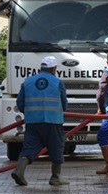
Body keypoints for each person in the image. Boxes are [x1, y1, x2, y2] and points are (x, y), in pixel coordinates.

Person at [11, 56, 70, 186]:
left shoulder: (28, 81)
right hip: (53, 121)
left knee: (29, 147)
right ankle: (55, 177)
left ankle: (19, 171)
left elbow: (20, 102)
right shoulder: (57, 82)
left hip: (33, 122)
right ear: (53, 69)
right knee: (56, 148)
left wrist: (28, 112)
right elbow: (64, 104)